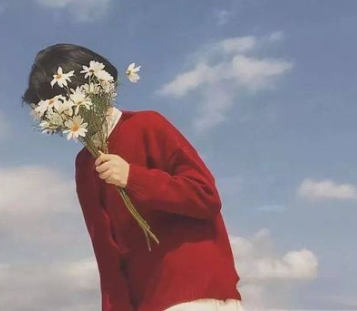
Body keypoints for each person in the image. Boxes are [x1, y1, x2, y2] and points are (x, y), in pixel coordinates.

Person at [22, 44, 244, 311]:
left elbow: (206, 197)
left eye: (61, 102)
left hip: (195, 293)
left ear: (92, 87)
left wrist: (133, 178)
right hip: (147, 301)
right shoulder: (85, 164)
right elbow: (106, 250)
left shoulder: (147, 125)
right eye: (52, 110)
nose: (65, 114)